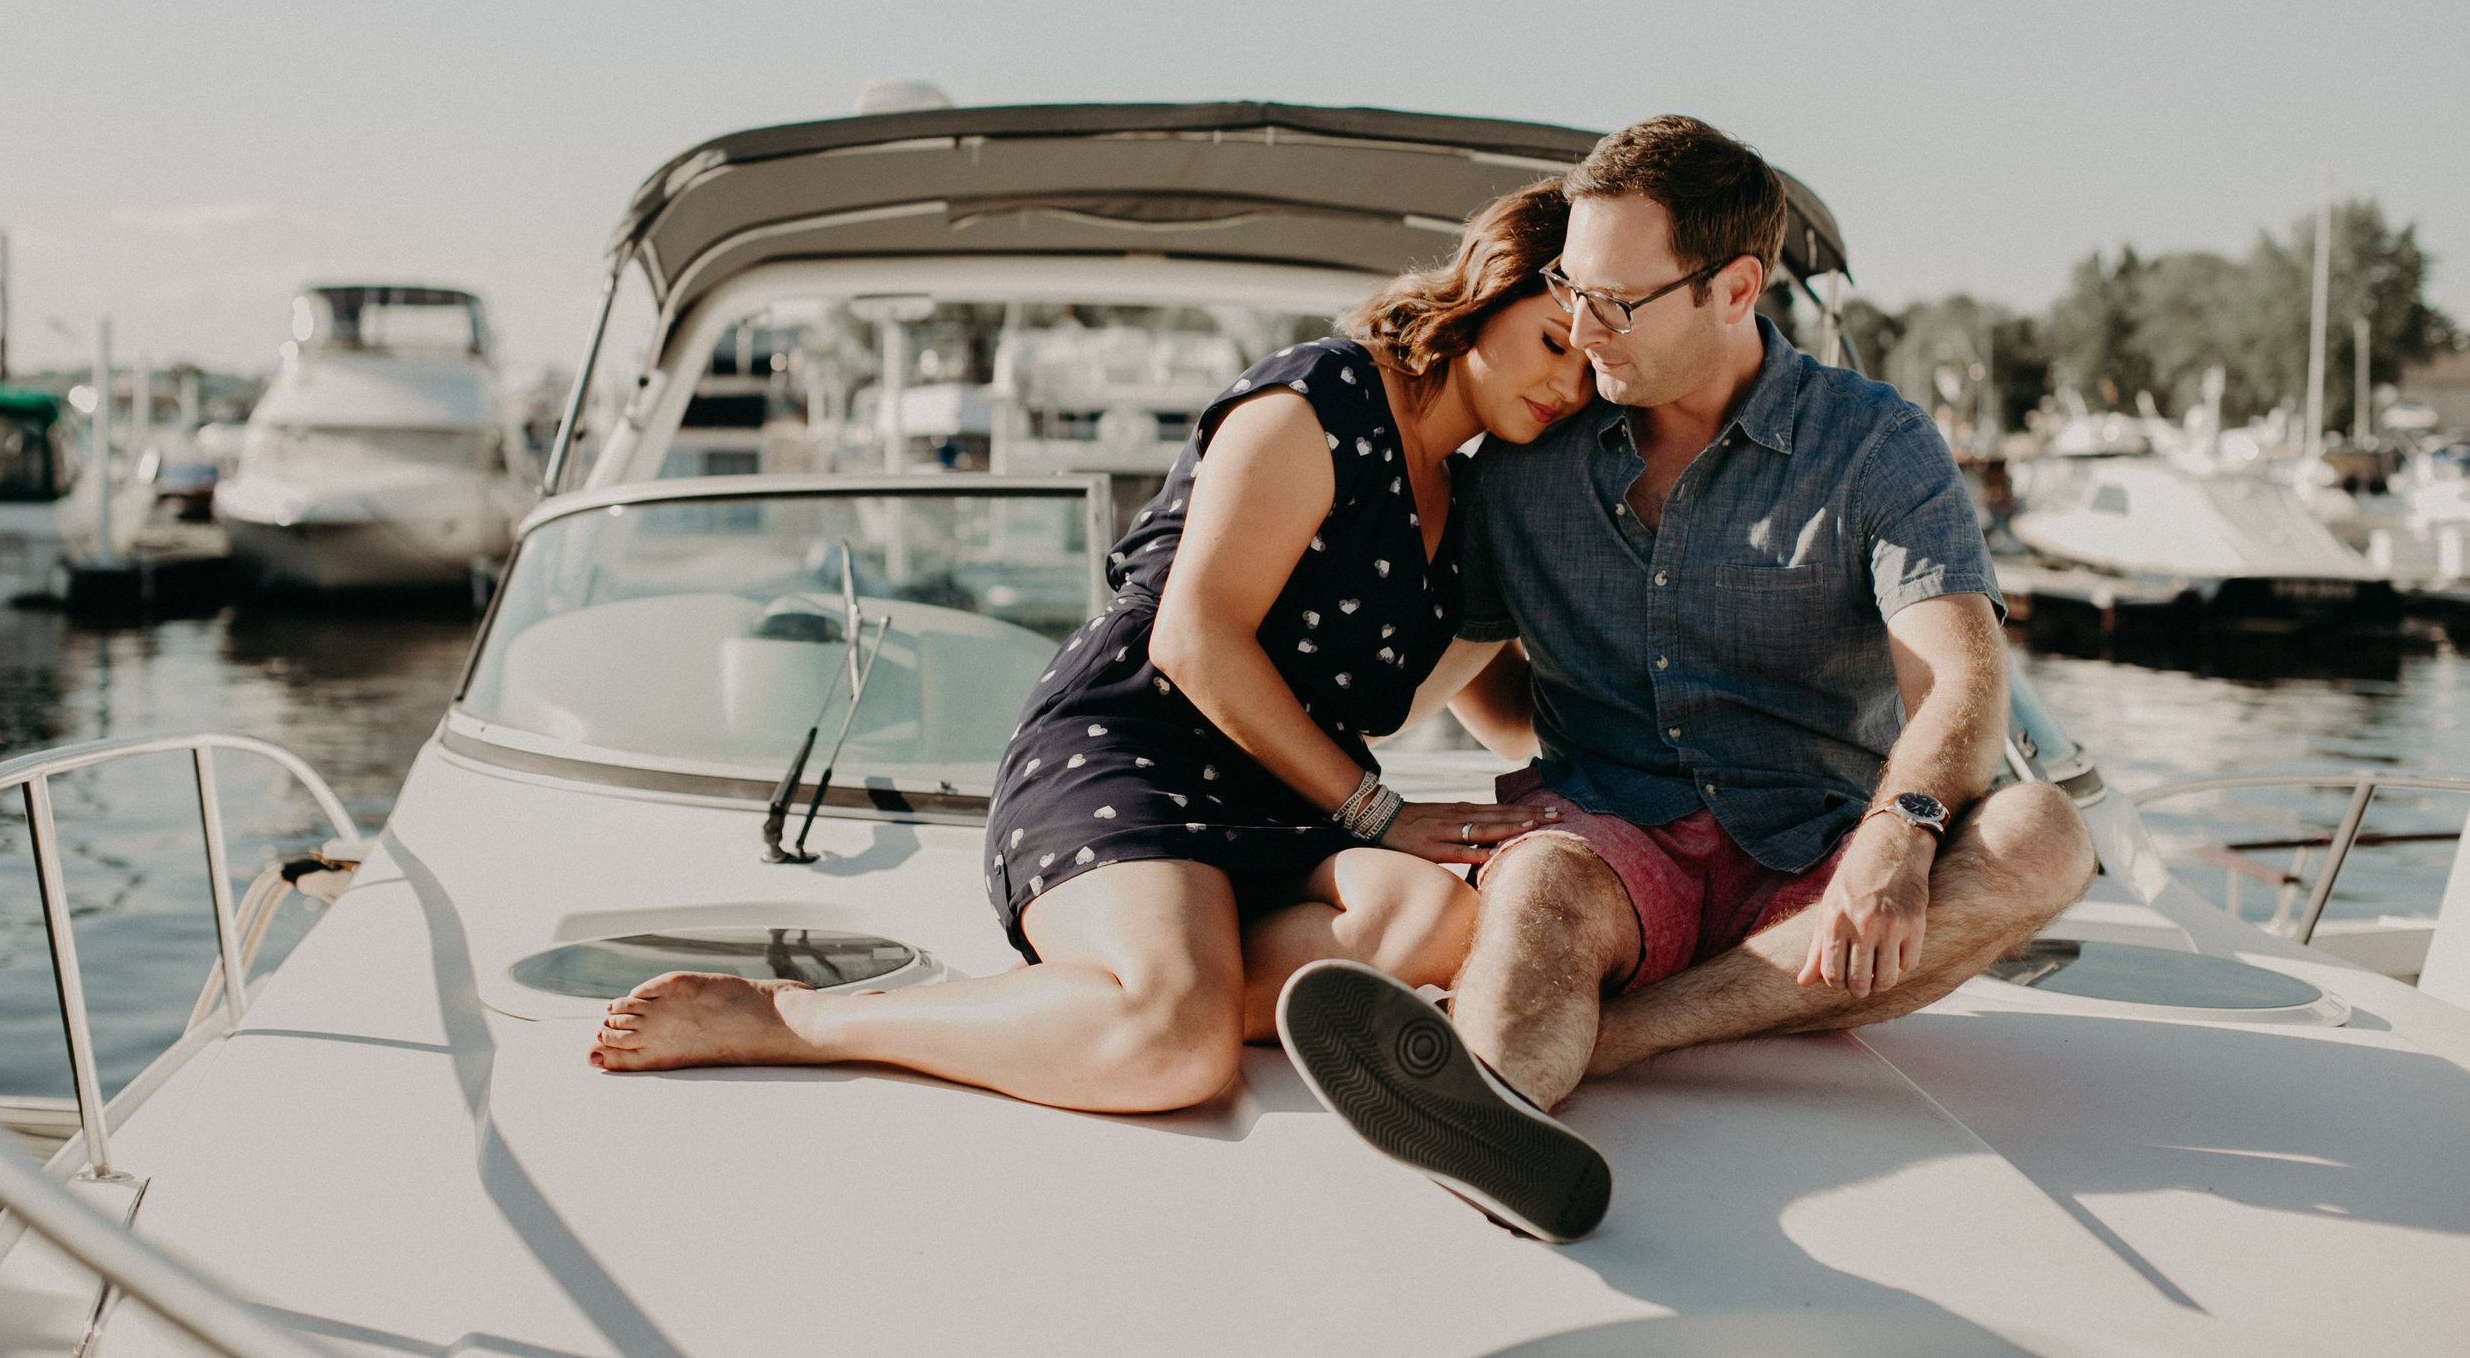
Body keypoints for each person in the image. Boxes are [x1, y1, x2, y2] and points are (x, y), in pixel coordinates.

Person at [589, 183, 1594, 1111]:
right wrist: (1377, 810)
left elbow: (1493, 703)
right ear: (1489, 289)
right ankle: (803, 1017)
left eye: (1593, 373)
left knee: (1439, 916)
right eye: (1556, 341)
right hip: (1135, 749)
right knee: (1178, 1047)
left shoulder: (1466, 513)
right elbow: (1194, 639)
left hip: (1285, 802)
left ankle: (1121, 988)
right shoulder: (1327, 395)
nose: (1568, 386)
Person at [1279, 116, 2097, 1243]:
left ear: (1733, 288)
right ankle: (1487, 1117)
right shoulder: (1524, 460)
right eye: (1570, 284)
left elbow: (1958, 679)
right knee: (1541, 888)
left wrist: (1899, 834)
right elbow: (1448, 673)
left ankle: (1616, 1036)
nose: (1577, 324)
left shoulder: (1873, 445)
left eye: (1615, 300)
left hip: (1816, 849)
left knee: (2044, 833)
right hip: (1609, 841)